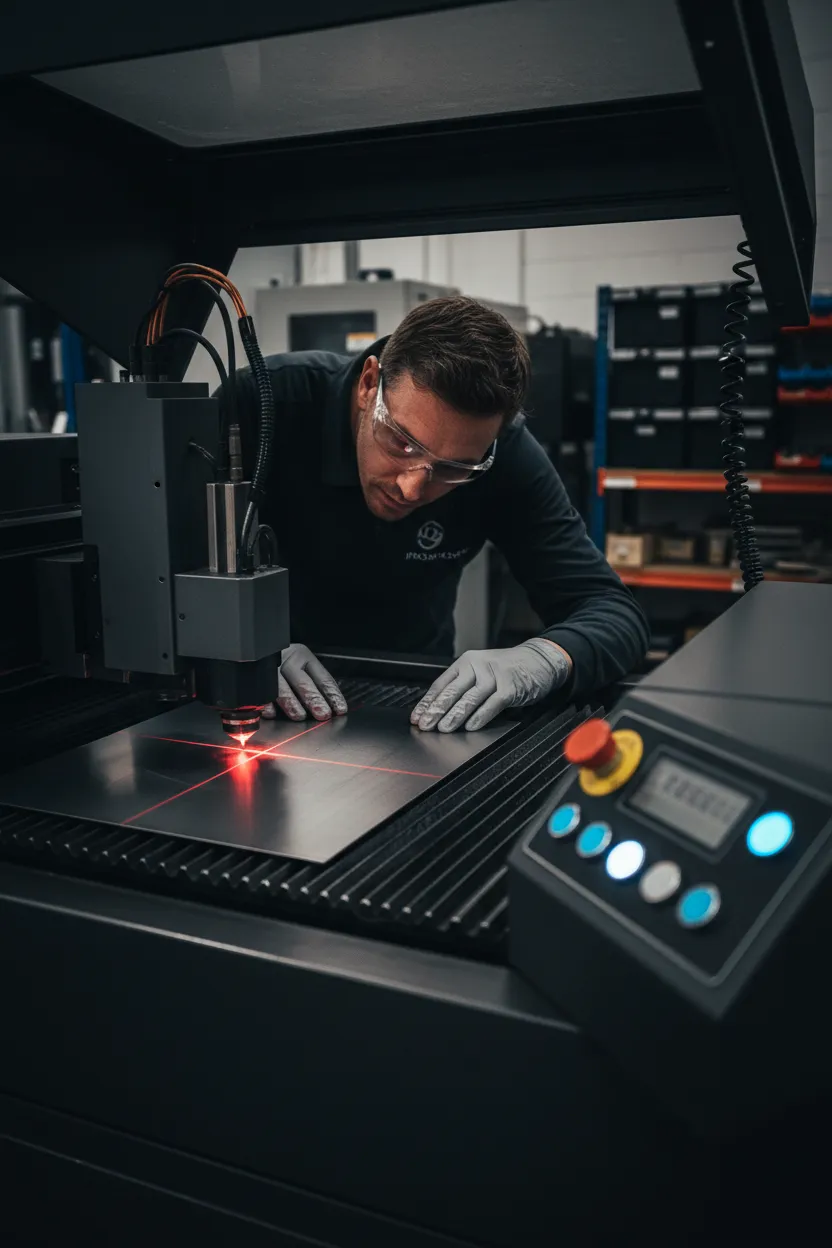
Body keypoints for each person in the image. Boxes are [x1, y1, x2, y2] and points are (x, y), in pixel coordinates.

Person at [230, 295, 648, 732]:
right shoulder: (264, 404)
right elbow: (159, 579)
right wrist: (237, 644)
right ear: (368, 385)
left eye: (452, 468)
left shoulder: (503, 456)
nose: (412, 488)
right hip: (261, 698)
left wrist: (544, 659)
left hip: (415, 707)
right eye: (403, 443)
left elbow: (612, 611)